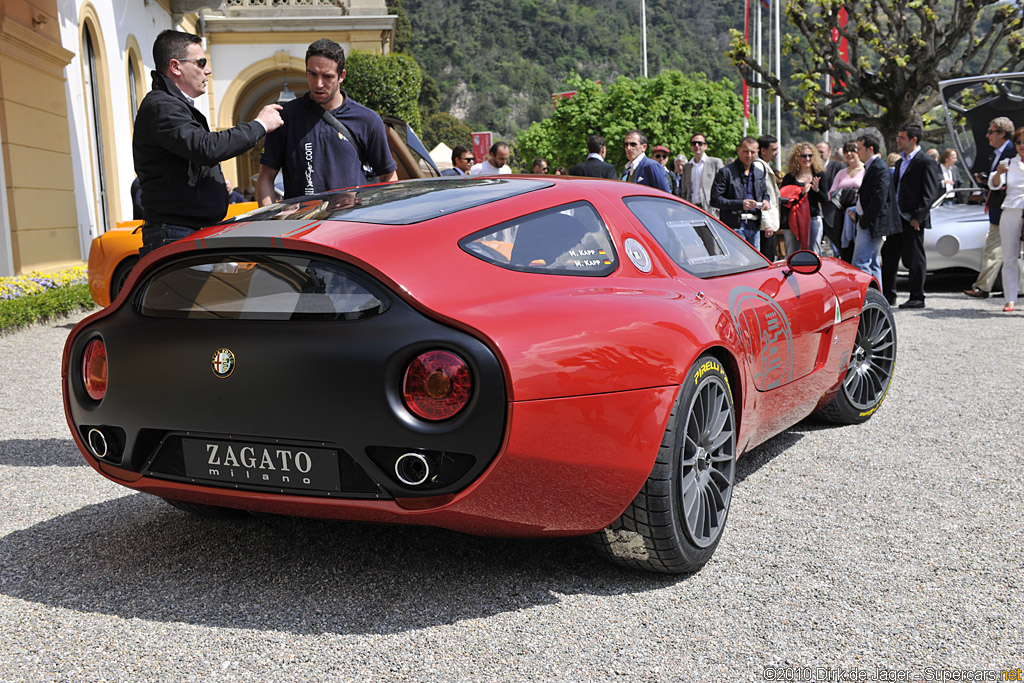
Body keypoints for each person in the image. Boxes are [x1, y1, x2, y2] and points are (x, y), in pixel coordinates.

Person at [133, 29, 283, 255]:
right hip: (174, 232)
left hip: (184, 229)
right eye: (201, 62)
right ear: (175, 67)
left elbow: (189, 157)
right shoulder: (162, 106)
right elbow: (206, 147)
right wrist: (259, 125)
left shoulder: (172, 105)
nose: (208, 70)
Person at [257, 39, 397, 205]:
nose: (319, 84)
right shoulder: (284, 117)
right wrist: (275, 223)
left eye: (328, 76)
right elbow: (265, 177)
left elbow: (389, 176)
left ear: (341, 76)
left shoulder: (368, 120)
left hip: (351, 225)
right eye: (313, 74)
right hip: (301, 227)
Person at [882, 123, 943, 309]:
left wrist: (918, 216)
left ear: (913, 139)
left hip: (913, 218)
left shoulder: (926, 162)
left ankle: (917, 296)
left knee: (915, 257)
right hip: (897, 217)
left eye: (901, 137)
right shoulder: (900, 162)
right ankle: (888, 295)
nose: (898, 140)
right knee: (889, 254)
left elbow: (930, 192)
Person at [964, 116, 1017, 298]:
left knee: (994, 249)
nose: (987, 136)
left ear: (1002, 133)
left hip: (1007, 209)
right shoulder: (997, 153)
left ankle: (983, 287)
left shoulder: (1012, 152)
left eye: (991, 132)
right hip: (1000, 208)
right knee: (1011, 251)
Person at [848, 134, 900, 283]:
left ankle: (867, 299)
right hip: (869, 221)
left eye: (860, 149)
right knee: (872, 262)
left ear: (870, 149)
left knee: (860, 262)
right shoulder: (873, 167)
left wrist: (864, 221)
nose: (857, 152)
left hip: (872, 223)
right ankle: (878, 299)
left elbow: (879, 199)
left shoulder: (879, 168)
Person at [986, 126, 1024, 311]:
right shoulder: (1009, 162)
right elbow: (994, 184)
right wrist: (1000, 173)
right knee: (1009, 256)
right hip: (1011, 209)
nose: (1022, 145)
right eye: (1018, 142)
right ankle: (1010, 298)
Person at [711, 136, 770, 248]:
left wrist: (766, 201)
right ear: (738, 150)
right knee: (739, 263)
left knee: (756, 263)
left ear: (757, 152)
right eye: (745, 151)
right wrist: (740, 204)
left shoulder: (759, 172)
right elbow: (715, 200)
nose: (749, 155)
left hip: (755, 226)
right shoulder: (726, 172)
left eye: (752, 152)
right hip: (734, 226)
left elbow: (764, 194)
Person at [780, 142, 826, 255]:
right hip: (792, 221)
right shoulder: (789, 177)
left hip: (813, 219)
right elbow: (783, 200)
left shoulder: (819, 175)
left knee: (813, 253)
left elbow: (825, 199)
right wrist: (801, 193)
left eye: (810, 155)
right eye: (803, 156)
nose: (807, 158)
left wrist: (816, 191)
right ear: (797, 158)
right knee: (792, 254)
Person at [830, 141, 868, 263]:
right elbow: (832, 192)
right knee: (845, 251)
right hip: (842, 214)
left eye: (853, 150)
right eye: (846, 151)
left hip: (860, 214)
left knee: (861, 251)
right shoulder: (841, 172)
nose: (849, 154)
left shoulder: (866, 170)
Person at [680, 132, 724, 214]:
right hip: (691, 209)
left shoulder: (715, 163)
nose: (696, 146)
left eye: (700, 143)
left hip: (710, 210)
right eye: (693, 143)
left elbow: (723, 187)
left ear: (705, 146)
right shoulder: (687, 167)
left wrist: (719, 208)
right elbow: (684, 191)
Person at [753, 135, 781, 260]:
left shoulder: (764, 165)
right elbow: (759, 196)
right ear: (763, 150)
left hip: (768, 222)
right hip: (765, 224)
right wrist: (767, 222)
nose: (777, 153)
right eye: (774, 149)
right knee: (766, 258)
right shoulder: (759, 166)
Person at [817, 140, 845, 255]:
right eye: (816, 152)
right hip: (816, 213)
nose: (819, 155)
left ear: (829, 153)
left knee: (837, 243)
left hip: (832, 211)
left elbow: (840, 187)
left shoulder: (838, 167)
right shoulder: (812, 168)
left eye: (821, 152)